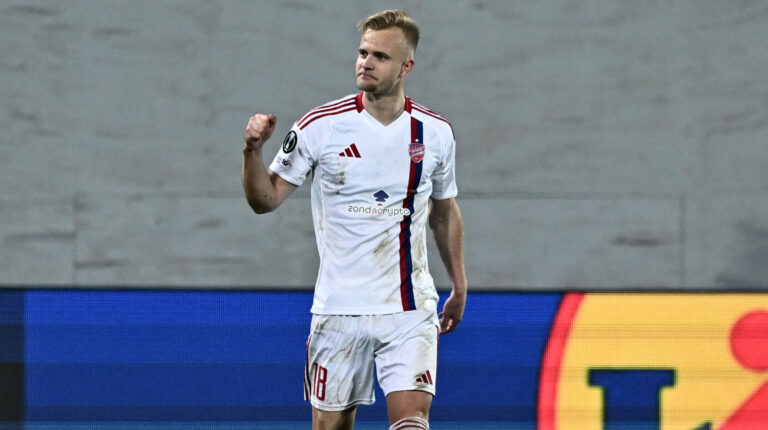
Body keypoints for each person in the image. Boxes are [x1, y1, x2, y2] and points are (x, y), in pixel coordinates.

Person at [241, 9, 466, 430]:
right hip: (340, 310)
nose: (366, 62)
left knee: (412, 423)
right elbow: (264, 200)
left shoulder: (434, 133)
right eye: (363, 52)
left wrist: (459, 283)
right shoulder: (319, 127)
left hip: (409, 307)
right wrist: (252, 151)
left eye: (380, 56)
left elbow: (444, 210)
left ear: (406, 67)